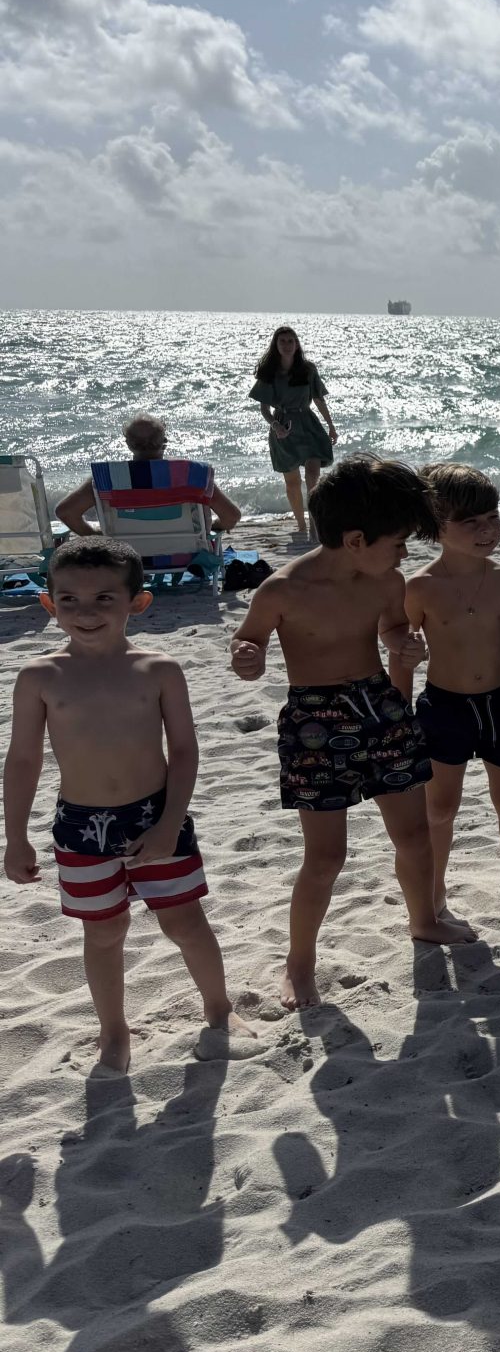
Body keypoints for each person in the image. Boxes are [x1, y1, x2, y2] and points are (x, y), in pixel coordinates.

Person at [228, 456, 468, 1011]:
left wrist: (403, 644)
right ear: (355, 538)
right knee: (326, 856)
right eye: (399, 541)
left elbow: (392, 627)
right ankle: (299, 963)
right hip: (315, 722)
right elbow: (251, 644)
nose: (404, 553)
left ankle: (424, 921)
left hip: (379, 707)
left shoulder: (387, 580)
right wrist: (247, 656)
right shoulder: (281, 591)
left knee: (412, 837)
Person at [4, 539, 244, 1070]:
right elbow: (23, 761)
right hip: (80, 826)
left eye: (103, 599)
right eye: (68, 600)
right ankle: (114, 1032)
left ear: (138, 602)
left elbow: (183, 751)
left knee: (184, 922)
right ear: (48, 603)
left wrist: (169, 824)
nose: (85, 613)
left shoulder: (158, 670)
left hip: (157, 817)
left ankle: (219, 1007)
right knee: (104, 930)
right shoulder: (39, 677)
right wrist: (15, 836)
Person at [395, 463, 500, 919]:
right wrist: (400, 712)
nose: (487, 530)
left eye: (492, 517)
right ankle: (435, 890)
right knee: (440, 808)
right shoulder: (418, 587)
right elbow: (402, 657)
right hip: (445, 705)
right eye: (471, 522)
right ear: (436, 527)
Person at [53, 414, 242, 538]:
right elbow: (231, 516)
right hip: (185, 553)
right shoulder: (191, 474)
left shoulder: (108, 478)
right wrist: (212, 528)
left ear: (128, 444)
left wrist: (98, 538)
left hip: (125, 558)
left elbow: (66, 512)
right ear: (164, 441)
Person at [249, 325, 338, 539]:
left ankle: (315, 524)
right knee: (292, 482)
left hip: (308, 424)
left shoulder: (308, 369)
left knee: (313, 475)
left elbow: (318, 399)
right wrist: (275, 425)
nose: (287, 345)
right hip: (283, 425)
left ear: (297, 345)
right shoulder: (269, 372)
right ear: (276, 345)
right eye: (283, 341)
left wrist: (331, 426)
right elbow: (264, 409)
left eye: (291, 341)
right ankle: (300, 524)